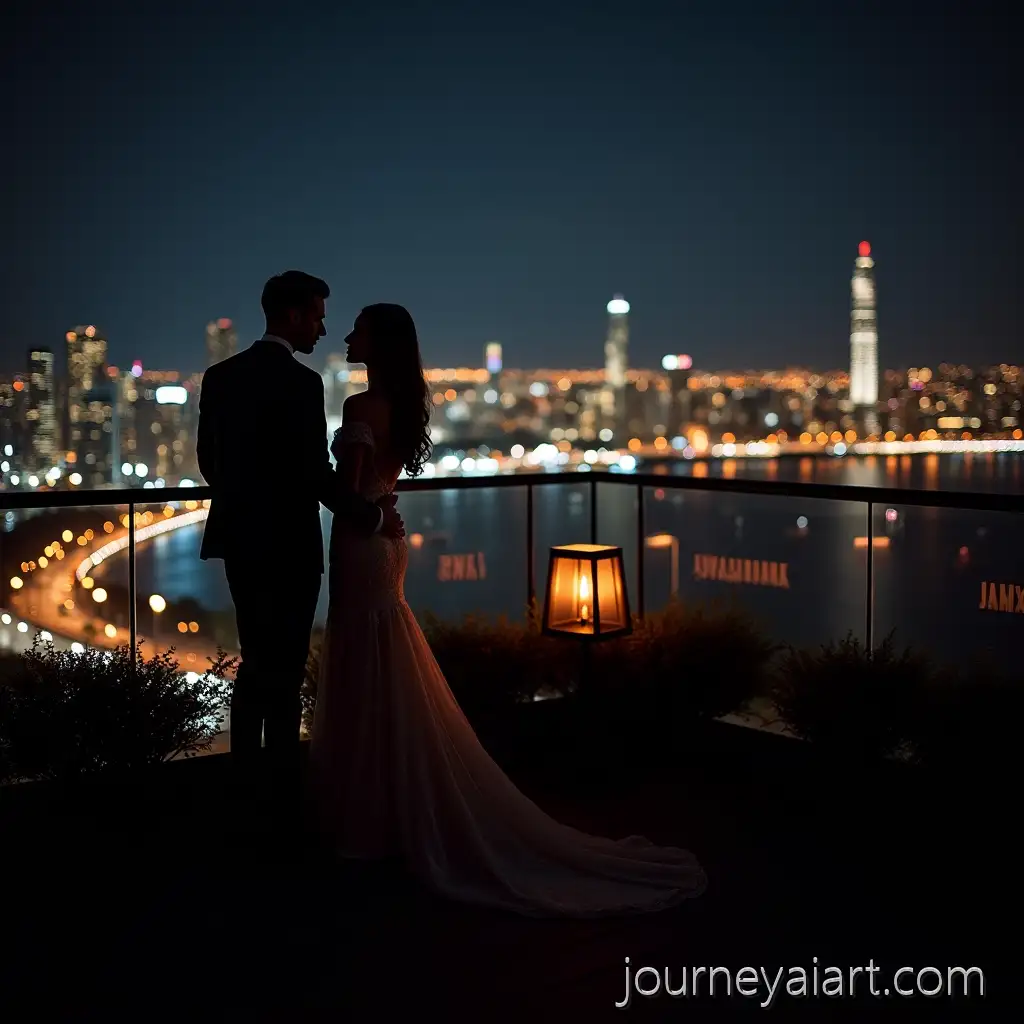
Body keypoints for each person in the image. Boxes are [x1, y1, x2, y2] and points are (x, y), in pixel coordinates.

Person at [308, 303, 706, 916]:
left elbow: (348, 492)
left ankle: (370, 821)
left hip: (363, 546)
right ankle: (395, 810)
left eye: (358, 328)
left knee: (364, 664)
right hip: (386, 544)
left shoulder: (361, 406)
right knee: (386, 654)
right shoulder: (404, 405)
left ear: (379, 342)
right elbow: (379, 489)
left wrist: (312, 474)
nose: (346, 335)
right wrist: (380, 511)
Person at [197, 272, 404, 813]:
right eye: (317, 317)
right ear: (293, 315)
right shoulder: (303, 383)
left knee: (253, 662)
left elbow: (209, 465)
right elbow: (316, 475)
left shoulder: (220, 376)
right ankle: (283, 798)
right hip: (290, 546)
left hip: (240, 541)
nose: (322, 329)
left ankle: (245, 791)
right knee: (286, 673)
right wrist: (372, 516)